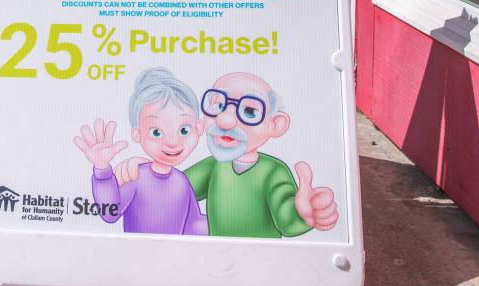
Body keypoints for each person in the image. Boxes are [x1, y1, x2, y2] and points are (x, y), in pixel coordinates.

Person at [115, 72, 338, 238]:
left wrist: (305, 212)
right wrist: (145, 167)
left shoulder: (273, 172)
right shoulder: (215, 166)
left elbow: (286, 218)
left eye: (249, 111)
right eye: (219, 104)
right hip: (214, 260)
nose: (226, 120)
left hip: (263, 263)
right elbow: (175, 188)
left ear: (275, 124)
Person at [75, 67, 207, 235]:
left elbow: (194, 225)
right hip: (135, 256)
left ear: (198, 127)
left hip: (176, 257)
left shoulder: (181, 181)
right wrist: (102, 171)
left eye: (184, 130)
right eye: (156, 133)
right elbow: (110, 213)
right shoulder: (137, 176)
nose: (172, 142)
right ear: (138, 134)